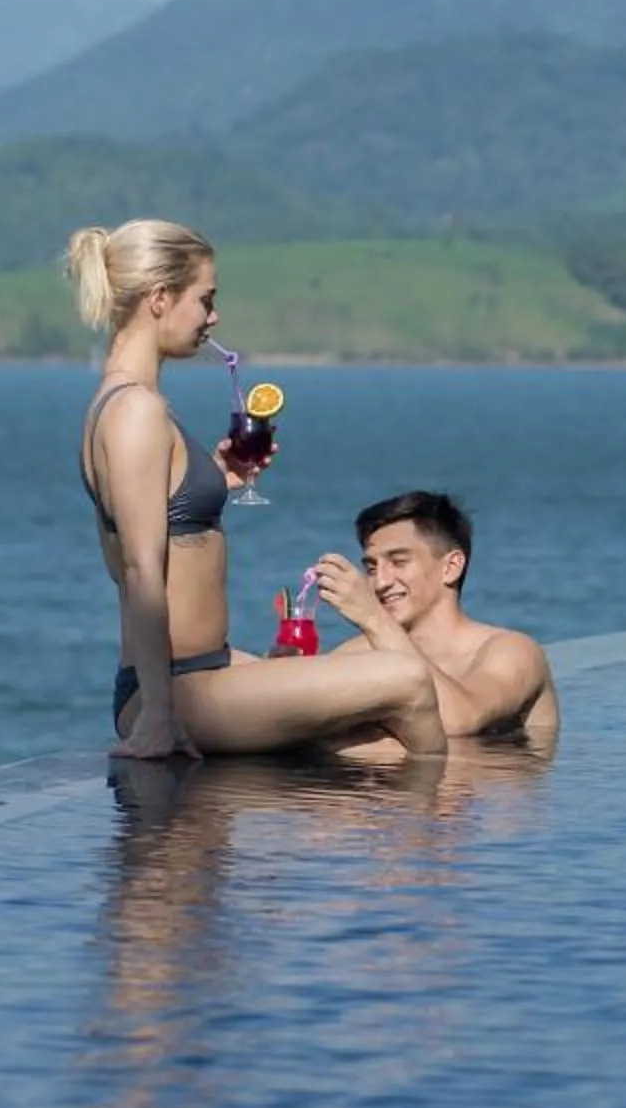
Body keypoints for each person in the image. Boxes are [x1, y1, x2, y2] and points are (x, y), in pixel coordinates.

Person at [65, 219, 446, 763]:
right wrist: (158, 716)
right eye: (205, 299)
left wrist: (216, 482)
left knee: (382, 746)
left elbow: (165, 523)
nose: (213, 318)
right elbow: (139, 571)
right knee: (406, 677)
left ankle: (413, 838)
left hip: (208, 669)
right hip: (174, 688)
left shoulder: (132, 405)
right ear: (158, 298)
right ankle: (453, 835)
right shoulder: (135, 412)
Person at [311, 489, 561, 747]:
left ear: (451, 567)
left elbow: (460, 720)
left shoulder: (513, 650)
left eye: (398, 562)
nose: (380, 582)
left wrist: (374, 619)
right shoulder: (363, 650)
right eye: (371, 568)